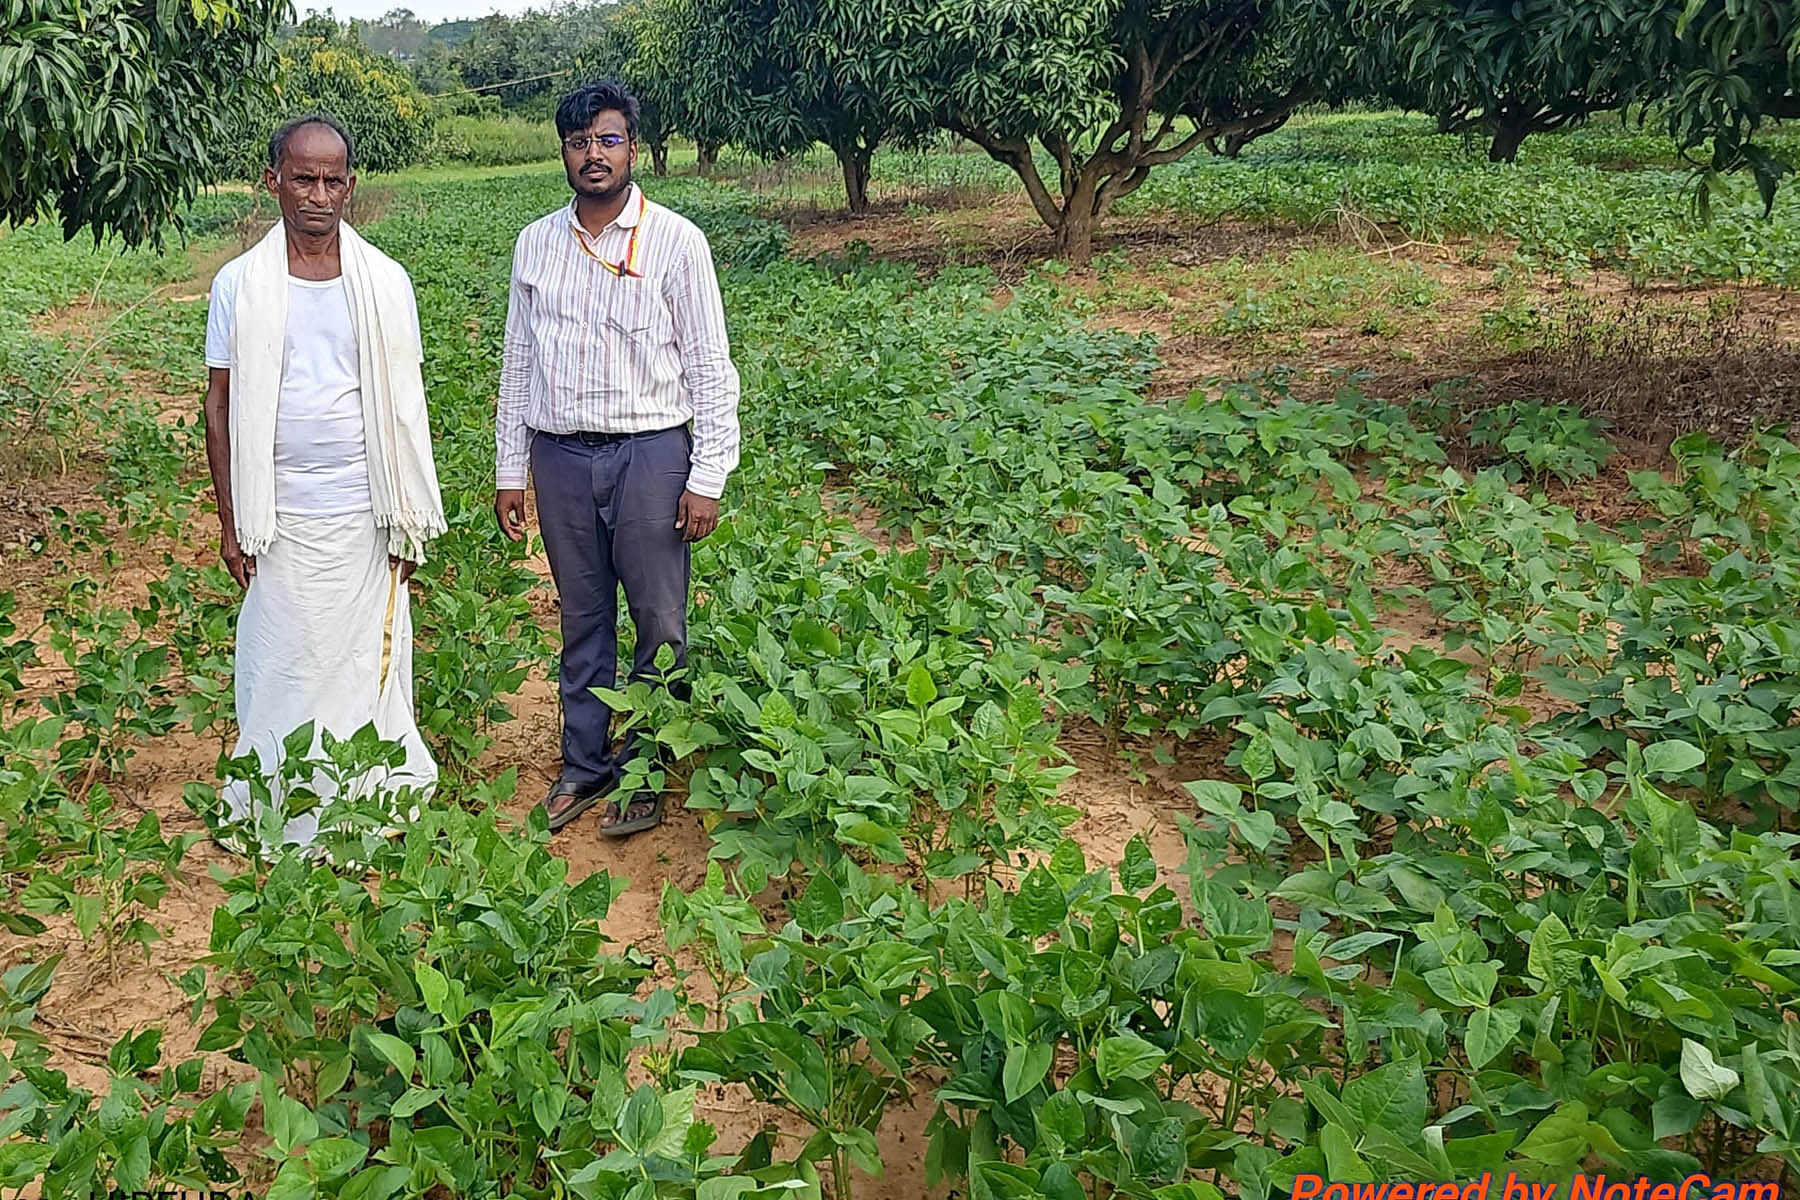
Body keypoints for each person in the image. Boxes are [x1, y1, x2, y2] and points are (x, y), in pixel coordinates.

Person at [494, 80, 741, 837]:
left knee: (659, 620)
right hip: (561, 456)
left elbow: (710, 366)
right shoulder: (536, 243)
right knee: (582, 616)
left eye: (607, 140)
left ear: (633, 147)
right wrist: (512, 467)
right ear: (563, 153)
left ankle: (645, 767)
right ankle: (586, 764)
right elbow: (518, 363)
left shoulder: (675, 241)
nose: (592, 155)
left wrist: (707, 475)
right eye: (578, 142)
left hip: (652, 452)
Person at [202, 114, 447, 856]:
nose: (317, 194)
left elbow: (405, 406)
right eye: (301, 178)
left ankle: (359, 806)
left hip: (364, 510)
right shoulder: (238, 285)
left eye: (332, 179)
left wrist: (405, 518)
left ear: (350, 185)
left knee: (358, 665)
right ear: (272, 181)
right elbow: (218, 405)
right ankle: (275, 807)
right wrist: (230, 517)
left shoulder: (385, 283)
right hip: (278, 517)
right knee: (281, 657)